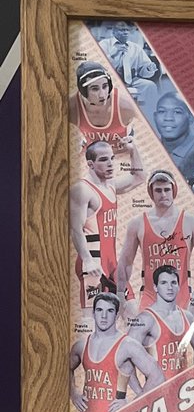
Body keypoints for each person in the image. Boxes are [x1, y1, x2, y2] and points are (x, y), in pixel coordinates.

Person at [69, 137, 144, 332]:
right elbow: (75, 228)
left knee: (135, 318)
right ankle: (89, 361)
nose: (111, 163)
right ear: (90, 164)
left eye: (112, 158)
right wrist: (87, 260)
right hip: (93, 264)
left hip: (112, 264)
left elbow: (139, 178)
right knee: (91, 325)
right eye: (104, 159)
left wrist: (133, 150)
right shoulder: (82, 189)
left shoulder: (109, 185)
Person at [117, 169, 194, 311]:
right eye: (158, 190)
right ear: (151, 193)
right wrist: (120, 294)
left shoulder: (190, 221)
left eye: (167, 190)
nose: (163, 194)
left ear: (174, 190)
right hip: (149, 300)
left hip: (182, 300)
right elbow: (125, 261)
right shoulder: (137, 223)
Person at [70, 293, 165, 412]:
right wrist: (73, 393)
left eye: (110, 311)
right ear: (93, 313)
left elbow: (158, 376)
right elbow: (65, 369)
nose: (104, 316)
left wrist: (133, 403)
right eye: (99, 310)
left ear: (116, 315)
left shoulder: (128, 345)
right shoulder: (81, 345)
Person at [125, 264, 194, 379]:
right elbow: (126, 357)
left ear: (179, 286)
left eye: (173, 283)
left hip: (184, 389)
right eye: (164, 283)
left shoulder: (187, 317)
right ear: (155, 287)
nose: (169, 287)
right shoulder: (145, 319)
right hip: (158, 392)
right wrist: (141, 392)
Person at [69, 61, 138, 152]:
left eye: (105, 86)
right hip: (93, 160)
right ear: (83, 91)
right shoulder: (72, 107)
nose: (102, 95)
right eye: (95, 89)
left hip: (124, 156)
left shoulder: (125, 105)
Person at [96, 20, 158, 113]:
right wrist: (112, 55)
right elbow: (97, 66)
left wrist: (148, 69)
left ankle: (150, 114)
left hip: (132, 80)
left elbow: (143, 70)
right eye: (121, 30)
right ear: (114, 31)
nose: (125, 32)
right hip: (110, 80)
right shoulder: (104, 44)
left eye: (126, 30)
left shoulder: (135, 47)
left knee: (150, 86)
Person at [153, 89, 194, 181]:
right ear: (155, 117)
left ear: (191, 118)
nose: (168, 118)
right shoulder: (149, 151)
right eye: (162, 111)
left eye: (177, 112)